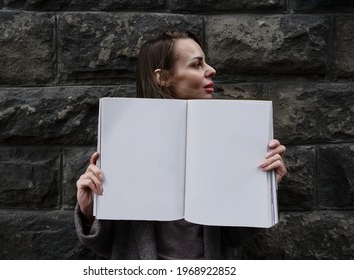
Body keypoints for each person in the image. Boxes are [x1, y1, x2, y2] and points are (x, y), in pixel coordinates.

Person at [75, 31, 287, 259]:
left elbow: (234, 236)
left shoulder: (228, 138)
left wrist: (262, 188)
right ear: (163, 77)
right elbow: (105, 242)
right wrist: (88, 212)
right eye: (197, 65)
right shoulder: (122, 140)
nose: (211, 70)